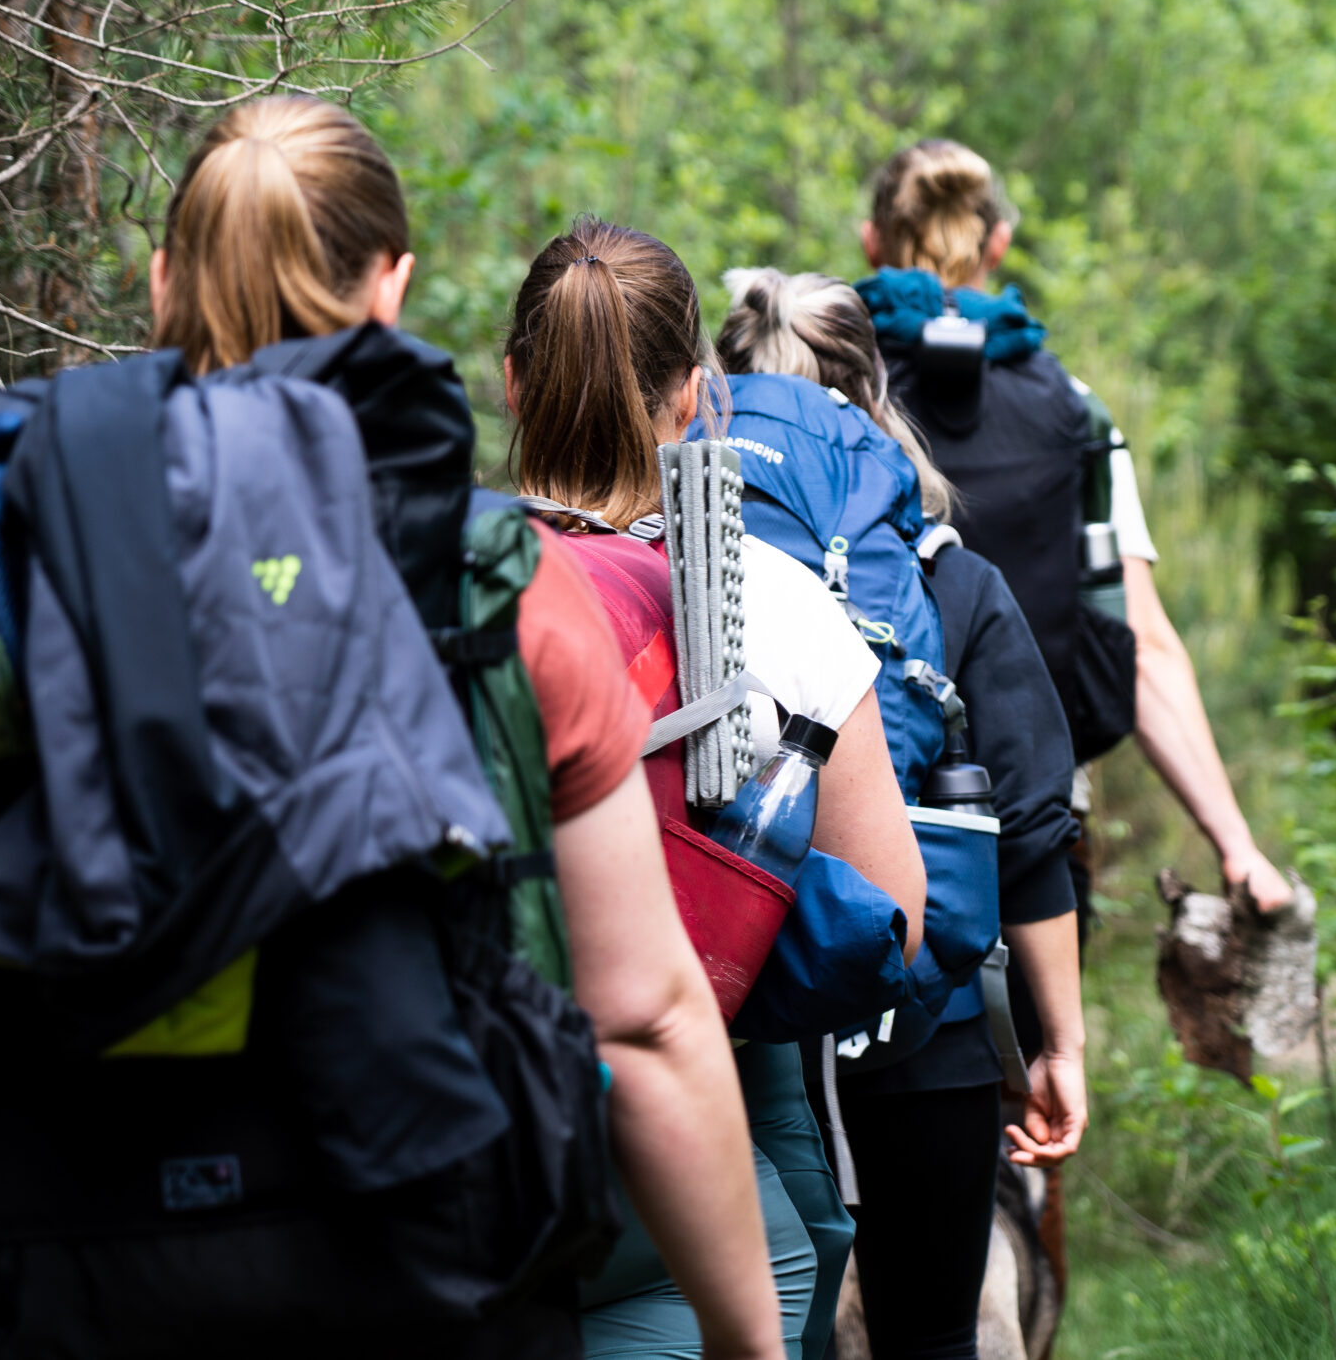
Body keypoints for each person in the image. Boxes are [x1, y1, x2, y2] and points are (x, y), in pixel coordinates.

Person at [0, 99, 785, 1360]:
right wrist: (749, 1342)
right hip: (423, 1270)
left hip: (62, 1272)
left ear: (161, 285)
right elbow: (647, 1018)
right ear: (391, 290)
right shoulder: (489, 583)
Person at [501, 217, 926, 1360]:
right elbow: (893, 914)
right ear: (697, 396)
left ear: (509, 384)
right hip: (688, 1125)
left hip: (455, 1095)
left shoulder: (425, 574)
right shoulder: (775, 601)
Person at [719, 267, 1085, 1360]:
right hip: (924, 1027)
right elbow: (1027, 836)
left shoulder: (668, 563)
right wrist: (1057, 1044)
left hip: (730, 1012)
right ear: (874, 400)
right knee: (931, 1334)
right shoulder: (948, 581)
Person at [852, 139, 1295, 920]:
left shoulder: (828, 391)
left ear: (871, 242)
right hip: (1037, 838)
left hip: (853, 824)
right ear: (999, 243)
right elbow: (1145, 644)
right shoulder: (1072, 407)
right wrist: (1237, 845)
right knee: (1048, 1047)